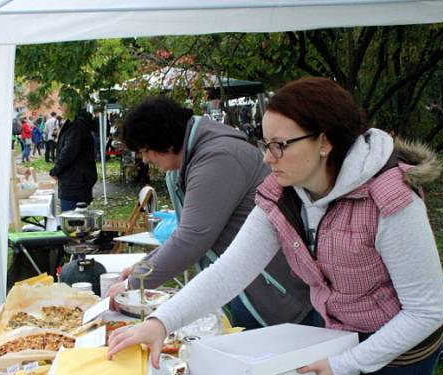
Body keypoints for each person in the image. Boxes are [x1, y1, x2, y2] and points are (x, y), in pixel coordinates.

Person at [109, 77, 443, 375]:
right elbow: (229, 270)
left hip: (405, 345)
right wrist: (161, 322)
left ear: (325, 141)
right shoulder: (283, 193)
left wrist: (346, 365)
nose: (267, 159)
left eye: (280, 145)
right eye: (265, 144)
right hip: (343, 332)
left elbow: (426, 312)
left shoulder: (390, 199)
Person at [109, 96, 310, 332]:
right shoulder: (188, 162)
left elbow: (192, 239)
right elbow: (187, 234)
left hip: (271, 291)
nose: (145, 160)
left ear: (164, 140)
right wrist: (141, 267)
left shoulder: (218, 158)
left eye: (145, 150)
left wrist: (136, 282)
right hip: (240, 283)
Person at [50, 106, 97, 212]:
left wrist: (55, 171)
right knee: (74, 220)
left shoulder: (77, 126)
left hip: (75, 181)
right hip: (74, 179)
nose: (60, 107)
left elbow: (68, 153)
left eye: (63, 104)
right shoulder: (74, 124)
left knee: (73, 221)